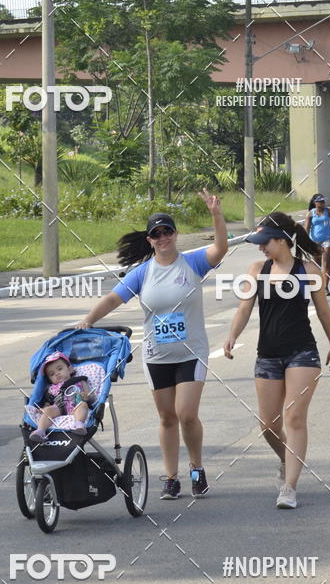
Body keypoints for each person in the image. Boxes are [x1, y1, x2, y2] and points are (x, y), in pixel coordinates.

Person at [76, 191, 228, 500]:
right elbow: (113, 298)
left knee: (186, 413)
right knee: (167, 417)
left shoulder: (193, 263)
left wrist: (215, 214)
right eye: (156, 234)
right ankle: (171, 477)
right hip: (157, 355)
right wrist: (88, 320)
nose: (163, 238)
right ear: (149, 240)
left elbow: (221, 249)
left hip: (191, 352)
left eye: (167, 232)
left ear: (175, 234)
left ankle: (196, 468)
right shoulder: (143, 273)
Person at [223, 213, 330, 510]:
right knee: (268, 425)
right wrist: (231, 336)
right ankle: (286, 459)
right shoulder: (256, 270)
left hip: (303, 353)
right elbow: (244, 309)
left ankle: (289, 487)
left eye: (266, 243)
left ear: (283, 241)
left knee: (295, 417)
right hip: (268, 355)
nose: (261, 248)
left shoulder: (308, 269)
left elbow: (323, 311)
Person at [29, 352, 93, 442]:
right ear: (49, 379)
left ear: (70, 369)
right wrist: (44, 408)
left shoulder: (79, 381)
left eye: (60, 369)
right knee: (48, 411)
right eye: (52, 374)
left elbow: (91, 396)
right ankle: (40, 431)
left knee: (83, 405)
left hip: (76, 406)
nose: (57, 374)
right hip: (58, 409)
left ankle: (78, 424)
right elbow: (49, 401)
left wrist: (87, 397)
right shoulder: (51, 388)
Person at [305, 194, 330, 296]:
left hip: (326, 240)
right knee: (316, 266)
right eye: (320, 202)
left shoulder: (328, 211)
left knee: (326, 264)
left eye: (323, 201)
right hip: (315, 242)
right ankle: (316, 286)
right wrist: (305, 241)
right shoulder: (311, 214)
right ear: (315, 203)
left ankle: (325, 287)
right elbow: (306, 228)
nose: (323, 203)